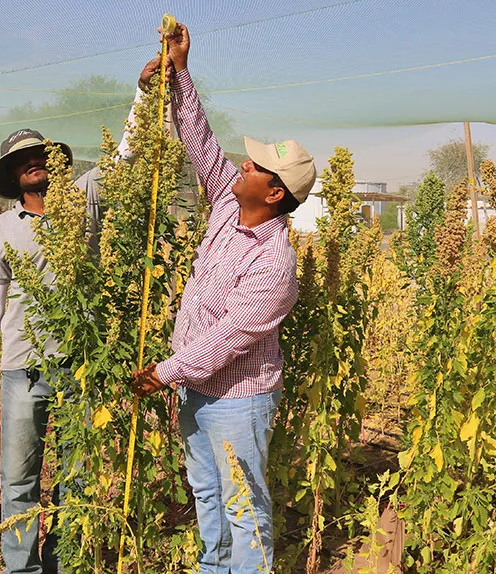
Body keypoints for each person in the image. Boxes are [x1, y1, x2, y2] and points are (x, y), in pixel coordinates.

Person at [0, 60, 169, 571]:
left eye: (40, 155)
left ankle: (69, 560)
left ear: (54, 164)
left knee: (78, 472)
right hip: (21, 368)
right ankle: (22, 567)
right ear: (13, 175)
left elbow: (125, 155)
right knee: (19, 476)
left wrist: (143, 95)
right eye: (23, 160)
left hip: (82, 363)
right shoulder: (0, 230)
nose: (33, 163)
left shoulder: (84, 199)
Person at [130, 23, 316, 573]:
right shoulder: (225, 208)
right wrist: (179, 72)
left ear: (275, 192)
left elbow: (228, 337)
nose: (243, 165)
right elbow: (201, 143)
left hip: (238, 401)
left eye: (256, 167)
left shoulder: (274, 263)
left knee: (243, 508)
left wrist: (165, 372)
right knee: (207, 495)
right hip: (196, 391)